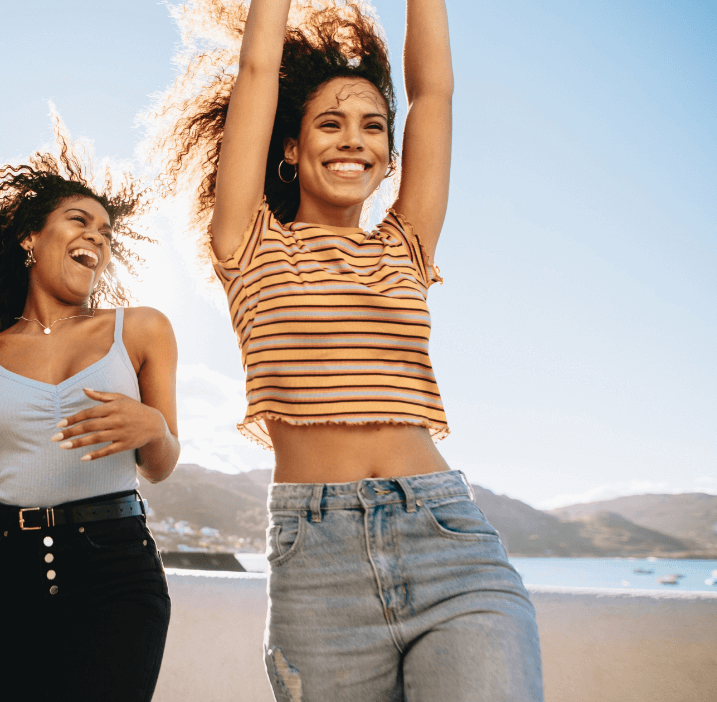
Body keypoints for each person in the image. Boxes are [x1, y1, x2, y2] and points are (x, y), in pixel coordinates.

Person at [148, 0, 543, 699]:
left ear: (390, 156)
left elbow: (433, 93)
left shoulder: (407, 244)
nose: (352, 139)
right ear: (291, 147)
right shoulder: (247, 243)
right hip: (316, 567)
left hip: (447, 541)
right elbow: (259, 66)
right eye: (329, 123)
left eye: (372, 127)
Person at [0, 133, 180, 702]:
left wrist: (154, 429)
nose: (96, 237)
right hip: (10, 579)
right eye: (79, 220)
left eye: (106, 233)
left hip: (117, 568)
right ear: (30, 238)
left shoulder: (140, 330)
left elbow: (160, 466)